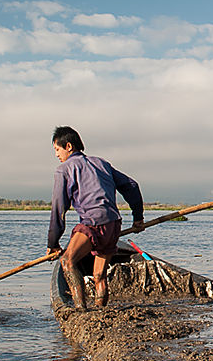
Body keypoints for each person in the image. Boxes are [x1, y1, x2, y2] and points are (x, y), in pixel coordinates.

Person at [47, 126, 145, 310]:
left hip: (93, 224)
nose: (56, 155)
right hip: (113, 225)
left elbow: (59, 209)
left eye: (56, 149)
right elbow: (131, 185)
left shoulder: (64, 169)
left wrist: (53, 243)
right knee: (99, 275)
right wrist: (138, 218)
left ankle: (80, 310)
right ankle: (100, 309)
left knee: (67, 262)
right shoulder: (101, 163)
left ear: (68, 146)